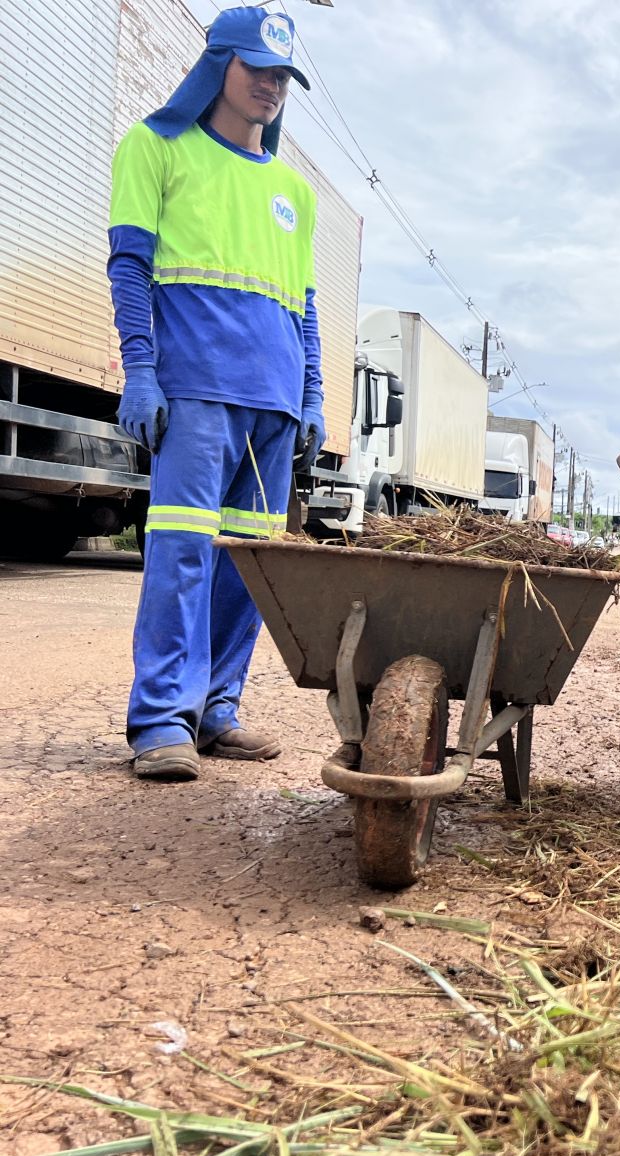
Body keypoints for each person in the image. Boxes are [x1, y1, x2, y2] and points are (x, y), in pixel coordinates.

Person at [107, 7, 323, 780]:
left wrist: (313, 395)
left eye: (281, 77)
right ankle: (162, 718)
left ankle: (216, 709)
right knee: (183, 554)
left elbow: (303, 305)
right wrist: (141, 367)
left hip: (272, 406)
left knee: (245, 568)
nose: (269, 87)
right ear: (217, 66)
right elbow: (129, 266)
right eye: (255, 69)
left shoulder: (295, 191)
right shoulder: (155, 146)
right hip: (195, 391)